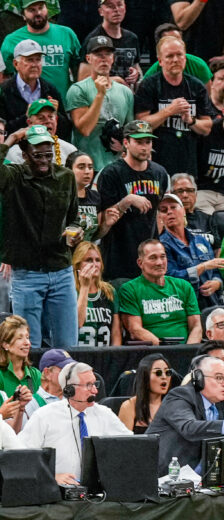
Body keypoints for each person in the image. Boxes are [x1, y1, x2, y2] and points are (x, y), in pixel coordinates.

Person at [0, 123, 79, 349]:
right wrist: (13, 137)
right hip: (27, 273)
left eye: (48, 154)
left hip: (61, 270)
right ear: (24, 155)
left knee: (68, 346)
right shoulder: (13, 177)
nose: (44, 160)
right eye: (37, 155)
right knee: (28, 347)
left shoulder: (66, 177)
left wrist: (76, 231)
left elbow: (74, 217)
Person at [21, 362, 131, 484]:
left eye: (95, 384)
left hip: (99, 491)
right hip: (56, 491)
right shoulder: (44, 416)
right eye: (88, 385)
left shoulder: (104, 414)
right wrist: (51, 475)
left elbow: (130, 446)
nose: (95, 390)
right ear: (69, 390)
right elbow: (22, 456)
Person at [95, 119, 168, 281]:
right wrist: (125, 202)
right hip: (118, 257)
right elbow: (102, 222)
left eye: (148, 142)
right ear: (126, 143)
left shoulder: (159, 173)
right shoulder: (111, 174)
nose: (144, 147)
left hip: (148, 258)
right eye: (139, 142)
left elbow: (158, 211)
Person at [134, 36, 214, 177]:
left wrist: (191, 120)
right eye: (170, 56)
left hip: (189, 161)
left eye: (179, 55)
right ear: (160, 61)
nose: (175, 60)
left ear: (185, 58)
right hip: (156, 162)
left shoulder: (196, 87)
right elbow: (141, 124)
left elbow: (207, 127)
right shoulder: (149, 86)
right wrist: (169, 111)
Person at [64, 36, 132, 175]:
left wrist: (125, 148)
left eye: (107, 54)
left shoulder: (125, 92)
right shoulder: (78, 90)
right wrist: (100, 95)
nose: (103, 59)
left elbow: (131, 130)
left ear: (113, 58)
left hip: (118, 166)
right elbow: (85, 129)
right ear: (89, 59)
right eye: (98, 55)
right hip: (88, 168)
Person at [116, 239, 201, 344]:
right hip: (151, 351)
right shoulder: (129, 289)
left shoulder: (184, 286)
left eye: (163, 257)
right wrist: (162, 349)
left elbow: (196, 326)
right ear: (140, 263)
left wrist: (188, 351)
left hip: (186, 351)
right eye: (153, 258)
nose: (159, 262)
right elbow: (135, 330)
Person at [157, 193, 224, 309]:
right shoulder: (161, 245)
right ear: (160, 217)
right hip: (183, 305)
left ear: (183, 211)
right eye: (164, 210)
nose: (169, 212)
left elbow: (215, 271)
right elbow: (169, 277)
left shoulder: (201, 240)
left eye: (173, 207)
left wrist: (217, 283)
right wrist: (202, 267)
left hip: (212, 302)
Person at [0, 0, 80, 96]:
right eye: (31, 10)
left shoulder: (67, 34)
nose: (38, 13)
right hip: (27, 106)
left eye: (41, 7)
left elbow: (79, 69)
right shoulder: (12, 40)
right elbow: (5, 76)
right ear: (23, 15)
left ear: (47, 9)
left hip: (63, 105)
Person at [0, 39, 69, 139]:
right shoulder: (4, 91)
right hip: (14, 150)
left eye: (38, 59)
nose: (35, 64)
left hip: (46, 150)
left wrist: (55, 114)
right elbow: (2, 133)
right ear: (16, 64)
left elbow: (66, 130)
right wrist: (26, 117)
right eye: (29, 60)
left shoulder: (50, 89)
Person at [80, 0, 140, 86]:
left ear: (125, 8)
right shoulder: (93, 39)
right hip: (102, 94)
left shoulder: (132, 38)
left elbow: (136, 66)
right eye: (110, 6)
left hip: (127, 95)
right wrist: (112, 80)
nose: (116, 9)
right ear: (101, 11)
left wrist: (136, 74)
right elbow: (82, 79)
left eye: (119, 5)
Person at [73, 241, 121, 347]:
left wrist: (116, 356)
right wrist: (85, 287)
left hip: (105, 356)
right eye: (89, 260)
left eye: (97, 260)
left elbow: (116, 333)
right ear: (77, 265)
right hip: (78, 355)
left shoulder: (109, 291)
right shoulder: (71, 292)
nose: (94, 264)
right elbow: (76, 324)